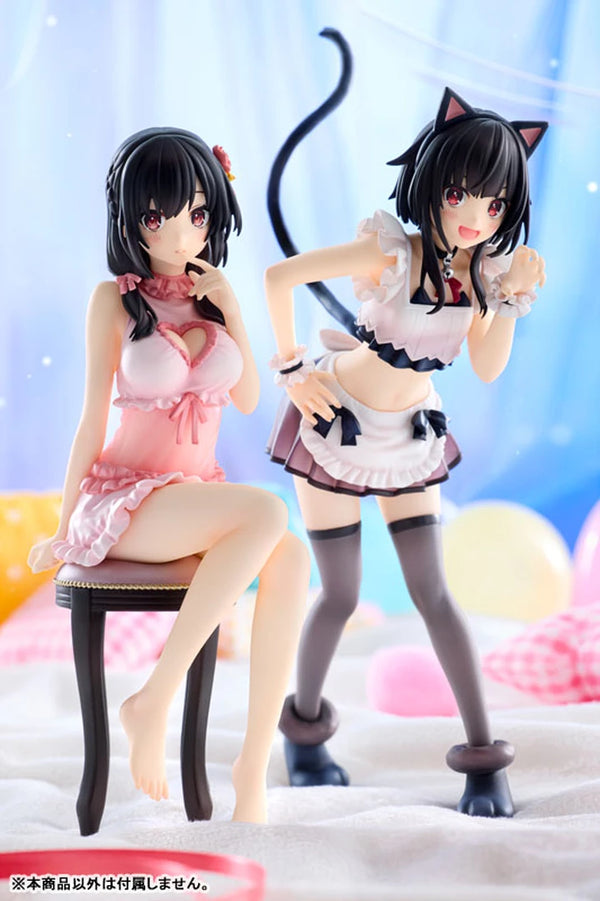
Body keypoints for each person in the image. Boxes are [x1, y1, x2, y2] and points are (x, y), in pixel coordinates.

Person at [265, 81, 547, 817]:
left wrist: (509, 300)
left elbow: (487, 366)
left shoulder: (481, 277)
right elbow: (280, 276)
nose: (474, 216)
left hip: (412, 434)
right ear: (432, 183)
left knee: (434, 593)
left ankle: (483, 762)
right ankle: (304, 736)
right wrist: (293, 370)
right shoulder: (389, 252)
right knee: (342, 593)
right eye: (459, 195)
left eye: (493, 204)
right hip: (338, 423)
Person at [28, 127, 310, 824]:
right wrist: (64, 528)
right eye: (158, 217)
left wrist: (233, 309)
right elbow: (91, 422)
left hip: (191, 498)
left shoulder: (213, 300)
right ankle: (154, 698)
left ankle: (252, 768)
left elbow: (247, 397)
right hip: (127, 501)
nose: (180, 234)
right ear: (130, 220)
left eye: (197, 215)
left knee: (292, 555)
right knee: (268, 511)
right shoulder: (114, 300)